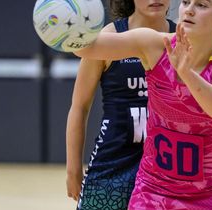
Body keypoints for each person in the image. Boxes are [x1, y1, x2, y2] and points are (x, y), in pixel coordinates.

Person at [75, 0, 212, 209]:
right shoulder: (154, 44)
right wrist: (62, 24)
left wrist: (186, 73)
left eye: (202, 5)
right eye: (186, 2)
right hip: (154, 190)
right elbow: (86, 48)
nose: (190, 10)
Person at [65, 0, 176, 209]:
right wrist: (73, 169)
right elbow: (79, 106)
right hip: (113, 164)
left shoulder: (183, 38)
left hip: (166, 167)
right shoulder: (109, 38)